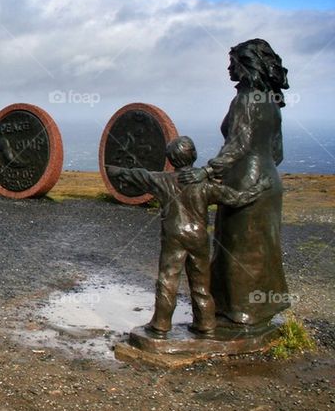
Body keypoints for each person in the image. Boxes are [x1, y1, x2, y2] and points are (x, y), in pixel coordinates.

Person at [107, 136, 269, 337]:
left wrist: (113, 169)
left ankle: (161, 324)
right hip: (198, 237)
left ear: (170, 159)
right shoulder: (205, 185)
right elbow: (236, 198)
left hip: (174, 236)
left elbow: (136, 175)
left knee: (168, 279)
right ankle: (206, 323)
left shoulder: (162, 180)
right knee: (201, 283)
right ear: (193, 156)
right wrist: (259, 188)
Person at [178, 38, 289, 327]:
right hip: (269, 181)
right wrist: (261, 170)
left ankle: (239, 312)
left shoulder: (245, 99)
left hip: (244, 179)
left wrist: (206, 171)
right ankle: (259, 311)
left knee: (236, 249)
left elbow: (238, 145)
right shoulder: (272, 103)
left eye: (233, 63)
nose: (229, 69)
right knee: (262, 250)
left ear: (247, 65)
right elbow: (277, 152)